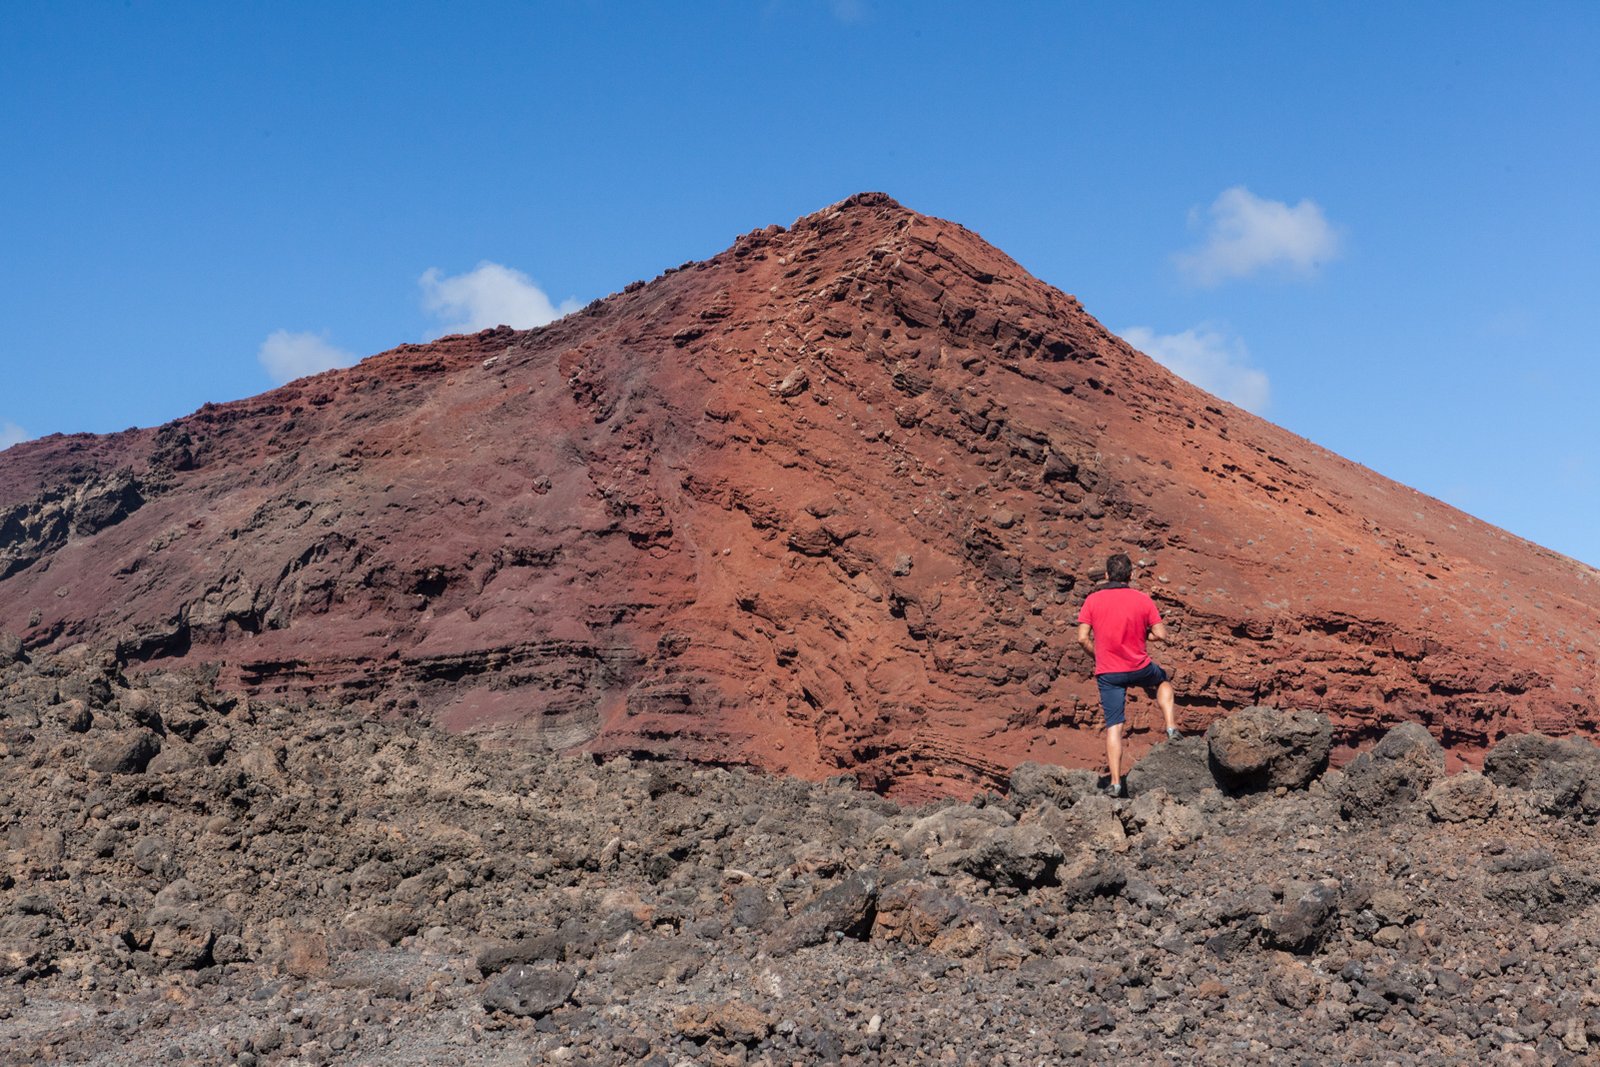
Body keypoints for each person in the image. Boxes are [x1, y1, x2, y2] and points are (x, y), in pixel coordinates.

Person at [1076, 552, 1179, 798]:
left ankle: (1114, 783)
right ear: (1130, 575)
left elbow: (1082, 638)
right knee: (1162, 680)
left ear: (1107, 575)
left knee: (1114, 726)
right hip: (1139, 666)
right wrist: (1144, 636)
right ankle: (1172, 727)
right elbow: (1161, 634)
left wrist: (1098, 656)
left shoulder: (1093, 600)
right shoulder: (1142, 600)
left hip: (1109, 673)